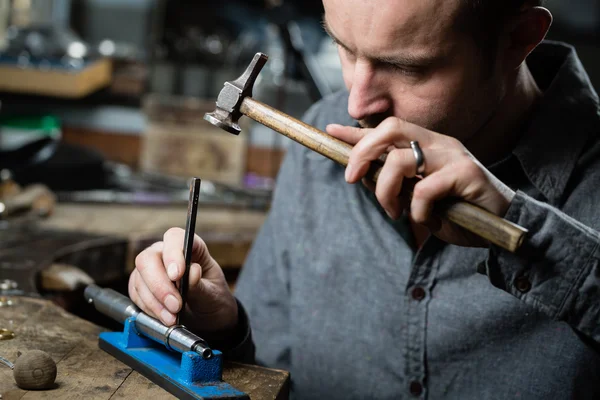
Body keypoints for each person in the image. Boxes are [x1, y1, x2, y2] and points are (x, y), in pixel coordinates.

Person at [129, 0, 600, 398]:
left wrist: (530, 235)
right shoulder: (319, 134)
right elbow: (267, 370)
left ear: (518, 40)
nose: (357, 104)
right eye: (344, 47)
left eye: (406, 66)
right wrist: (221, 329)